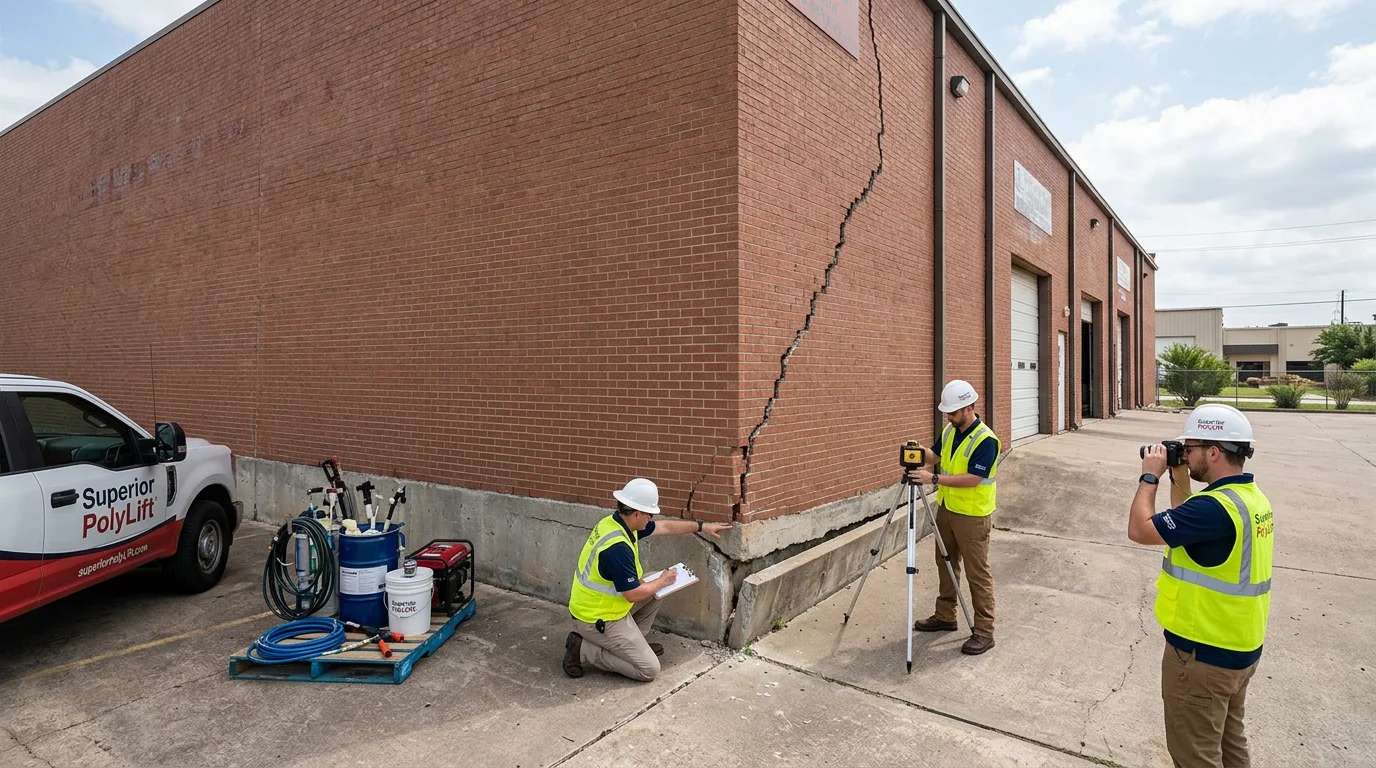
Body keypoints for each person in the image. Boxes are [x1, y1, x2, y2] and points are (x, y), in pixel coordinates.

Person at [1128, 404, 1272, 768]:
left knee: (1195, 755)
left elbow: (1140, 530)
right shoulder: (1249, 499)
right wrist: (1179, 474)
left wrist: (1149, 477)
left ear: (1214, 452)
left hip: (1201, 656)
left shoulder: (1213, 509)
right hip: (1237, 648)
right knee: (1229, 741)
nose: (1185, 454)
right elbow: (1187, 525)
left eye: (1190, 448)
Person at [563, 478, 732, 681]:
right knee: (649, 669)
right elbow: (632, 595)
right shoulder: (617, 548)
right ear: (637, 513)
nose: (651, 518)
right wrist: (663, 581)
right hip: (596, 619)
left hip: (602, 607)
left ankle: (633, 646)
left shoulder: (617, 522)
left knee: (654, 581)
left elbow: (665, 527)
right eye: (649, 514)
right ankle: (582, 648)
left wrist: (702, 527)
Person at [905, 379, 1001, 655]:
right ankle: (945, 615)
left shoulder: (986, 440)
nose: (949, 417)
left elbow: (973, 478)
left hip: (972, 516)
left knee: (977, 573)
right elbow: (935, 456)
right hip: (947, 509)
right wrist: (917, 452)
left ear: (969, 407)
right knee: (945, 564)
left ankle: (984, 631)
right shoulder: (950, 430)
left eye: (954, 412)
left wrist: (933, 479)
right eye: (947, 412)